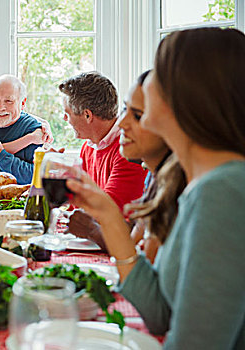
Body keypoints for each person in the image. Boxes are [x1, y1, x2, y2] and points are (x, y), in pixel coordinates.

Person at [67, 28, 245, 348]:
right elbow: (160, 314)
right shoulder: (195, 182)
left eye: (160, 73)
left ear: (190, 98)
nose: (148, 81)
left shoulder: (225, 191)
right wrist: (108, 217)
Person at [68, 71, 186, 263]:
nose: (121, 122)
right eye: (124, 109)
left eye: (138, 115)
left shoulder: (185, 189)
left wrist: (97, 222)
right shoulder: (155, 179)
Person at [59, 72, 147, 211]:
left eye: (67, 113)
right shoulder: (89, 146)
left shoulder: (128, 149)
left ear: (87, 115)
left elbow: (107, 211)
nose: (64, 118)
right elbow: (78, 202)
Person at [0, 74, 47, 185]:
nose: (1, 107)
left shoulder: (33, 129)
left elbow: (36, 176)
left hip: (16, 200)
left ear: (23, 103)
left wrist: (0, 156)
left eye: (9, 101)